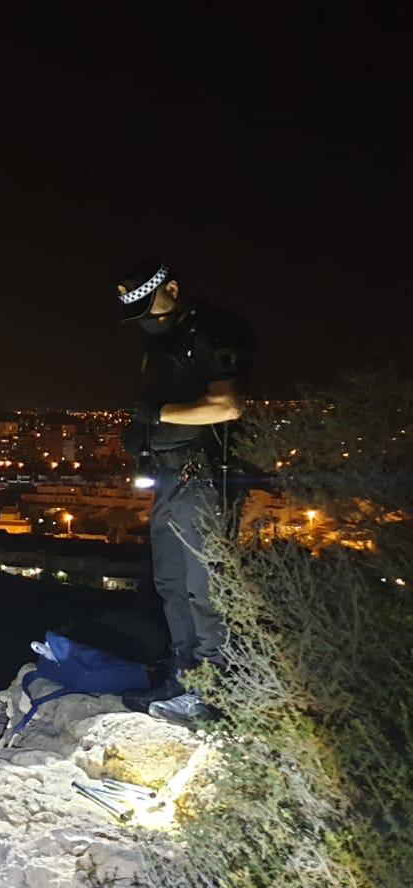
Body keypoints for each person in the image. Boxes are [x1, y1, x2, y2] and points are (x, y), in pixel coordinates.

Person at [114, 258, 254, 725]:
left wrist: (158, 415)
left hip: (204, 476)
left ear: (171, 288)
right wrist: (143, 437)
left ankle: (213, 694)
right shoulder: (164, 344)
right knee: (172, 584)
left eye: (150, 308)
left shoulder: (211, 330)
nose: (147, 321)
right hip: (170, 477)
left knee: (205, 588)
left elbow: (228, 406)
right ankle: (186, 677)